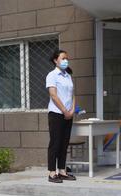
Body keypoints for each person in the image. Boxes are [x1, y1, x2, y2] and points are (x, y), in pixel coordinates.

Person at [46, 49, 76, 183]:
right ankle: (52, 173)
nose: (66, 61)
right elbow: (53, 95)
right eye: (63, 58)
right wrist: (64, 111)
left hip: (68, 114)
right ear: (55, 60)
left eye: (66, 58)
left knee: (64, 143)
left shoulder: (68, 75)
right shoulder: (52, 75)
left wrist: (72, 110)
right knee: (55, 143)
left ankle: (62, 171)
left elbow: (72, 94)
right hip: (57, 114)